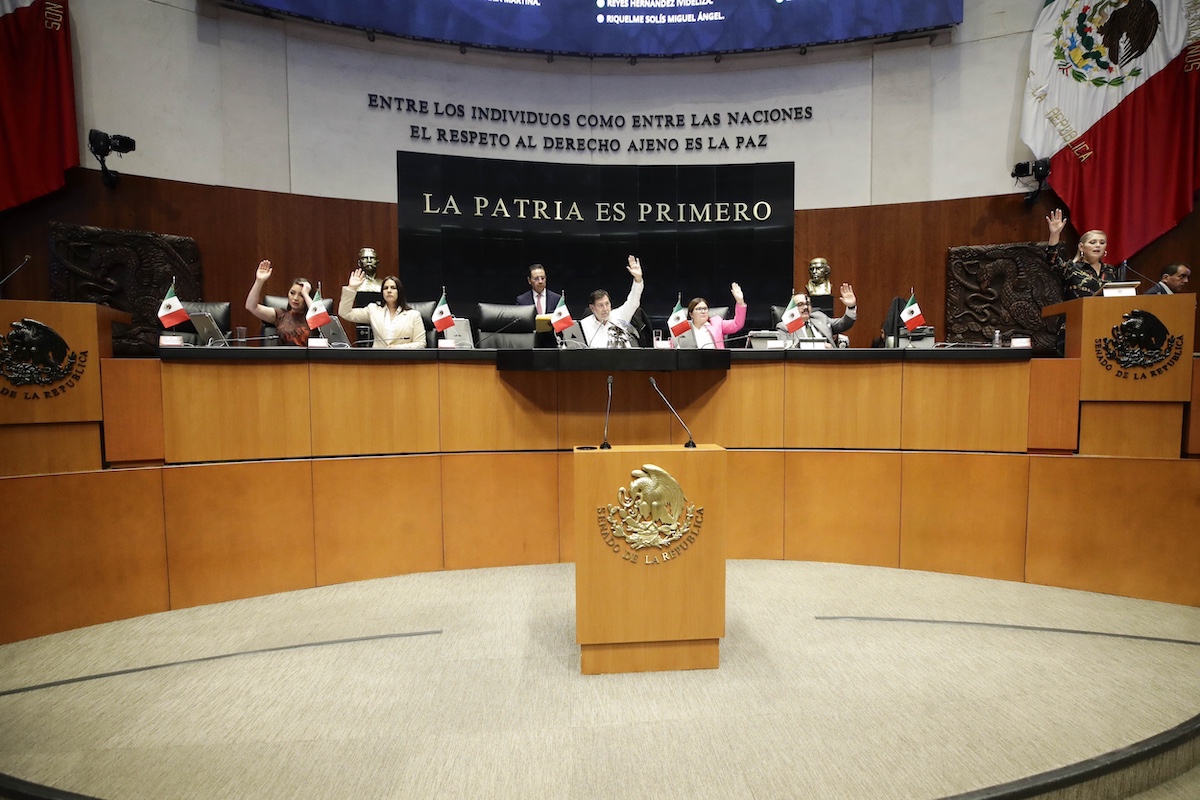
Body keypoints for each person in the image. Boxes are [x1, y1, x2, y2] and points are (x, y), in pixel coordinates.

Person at [338, 270, 426, 348]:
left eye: (393, 288)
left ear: (399, 291)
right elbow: (345, 313)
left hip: (403, 359)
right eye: (385, 288)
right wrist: (351, 288)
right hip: (378, 359)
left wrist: (398, 348)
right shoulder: (373, 310)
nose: (389, 291)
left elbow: (421, 343)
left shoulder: (413, 315)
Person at [1045, 209, 1122, 299]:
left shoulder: (1111, 270)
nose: (1098, 245)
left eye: (1102, 243)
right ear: (1081, 247)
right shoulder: (1071, 268)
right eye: (1093, 242)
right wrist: (1055, 234)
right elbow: (1052, 260)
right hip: (1078, 308)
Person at [579, 255, 645, 348]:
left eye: (607, 304)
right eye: (600, 305)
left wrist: (638, 279)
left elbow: (633, 302)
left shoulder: (619, 316)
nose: (605, 309)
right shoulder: (584, 325)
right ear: (592, 308)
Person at [245, 259, 315, 346]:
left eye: (301, 295)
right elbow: (251, 306)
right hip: (283, 354)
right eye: (292, 293)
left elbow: (319, 318)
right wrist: (259, 281)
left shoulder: (314, 318)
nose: (295, 298)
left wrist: (305, 293)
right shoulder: (281, 314)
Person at [777, 283, 857, 347]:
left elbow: (844, 324)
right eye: (800, 304)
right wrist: (821, 347)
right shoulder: (785, 327)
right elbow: (786, 350)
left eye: (808, 304)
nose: (805, 307)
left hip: (829, 360)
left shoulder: (820, 317)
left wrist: (851, 307)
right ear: (792, 308)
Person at [675, 283, 747, 349]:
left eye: (705, 308)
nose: (703, 311)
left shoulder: (717, 323)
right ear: (691, 314)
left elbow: (737, 324)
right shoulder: (683, 328)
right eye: (699, 309)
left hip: (714, 358)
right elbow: (674, 345)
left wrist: (740, 302)